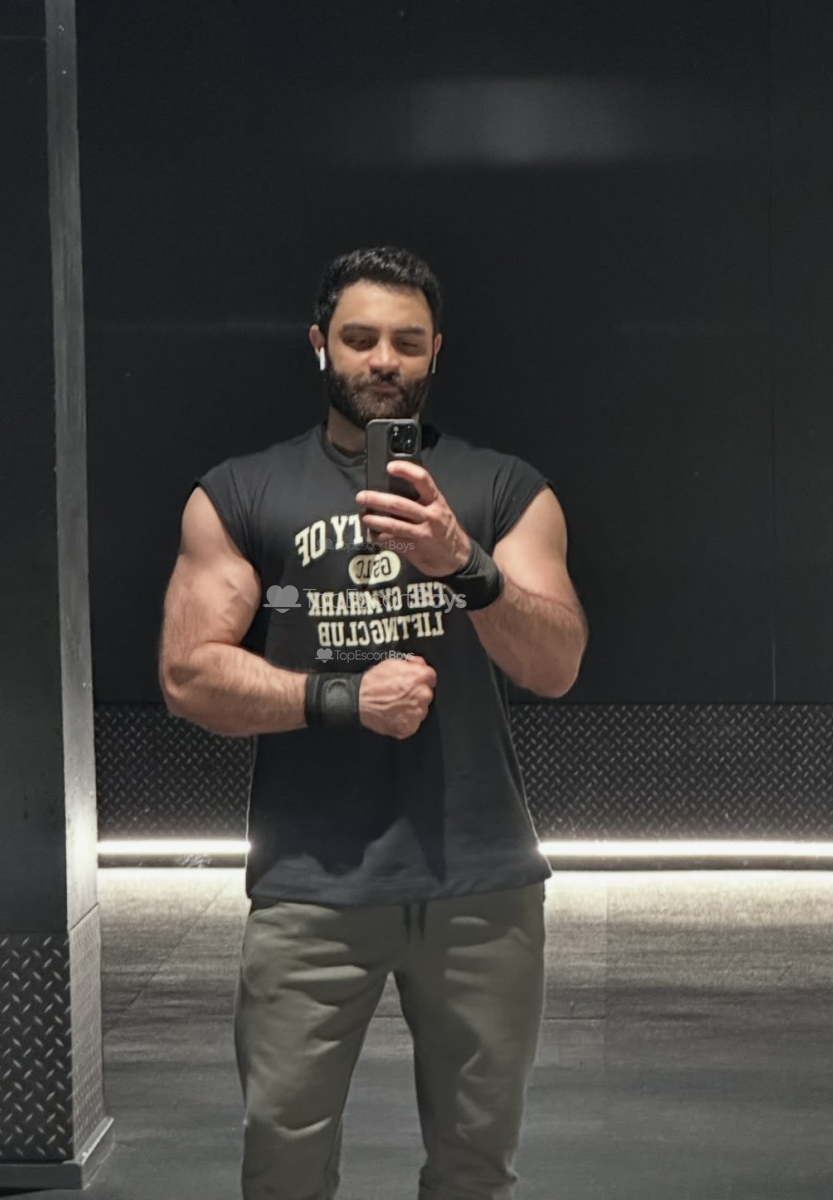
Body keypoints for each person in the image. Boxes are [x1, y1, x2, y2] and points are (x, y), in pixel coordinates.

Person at [158, 246, 588, 1200]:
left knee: (477, 1170)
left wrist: (466, 565)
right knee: (283, 1159)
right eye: (359, 339)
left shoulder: (506, 490)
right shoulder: (242, 492)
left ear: (437, 352)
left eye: (406, 341)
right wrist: (344, 699)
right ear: (320, 345)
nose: (383, 360)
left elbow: (555, 663)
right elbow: (188, 674)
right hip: (311, 882)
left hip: (481, 879)